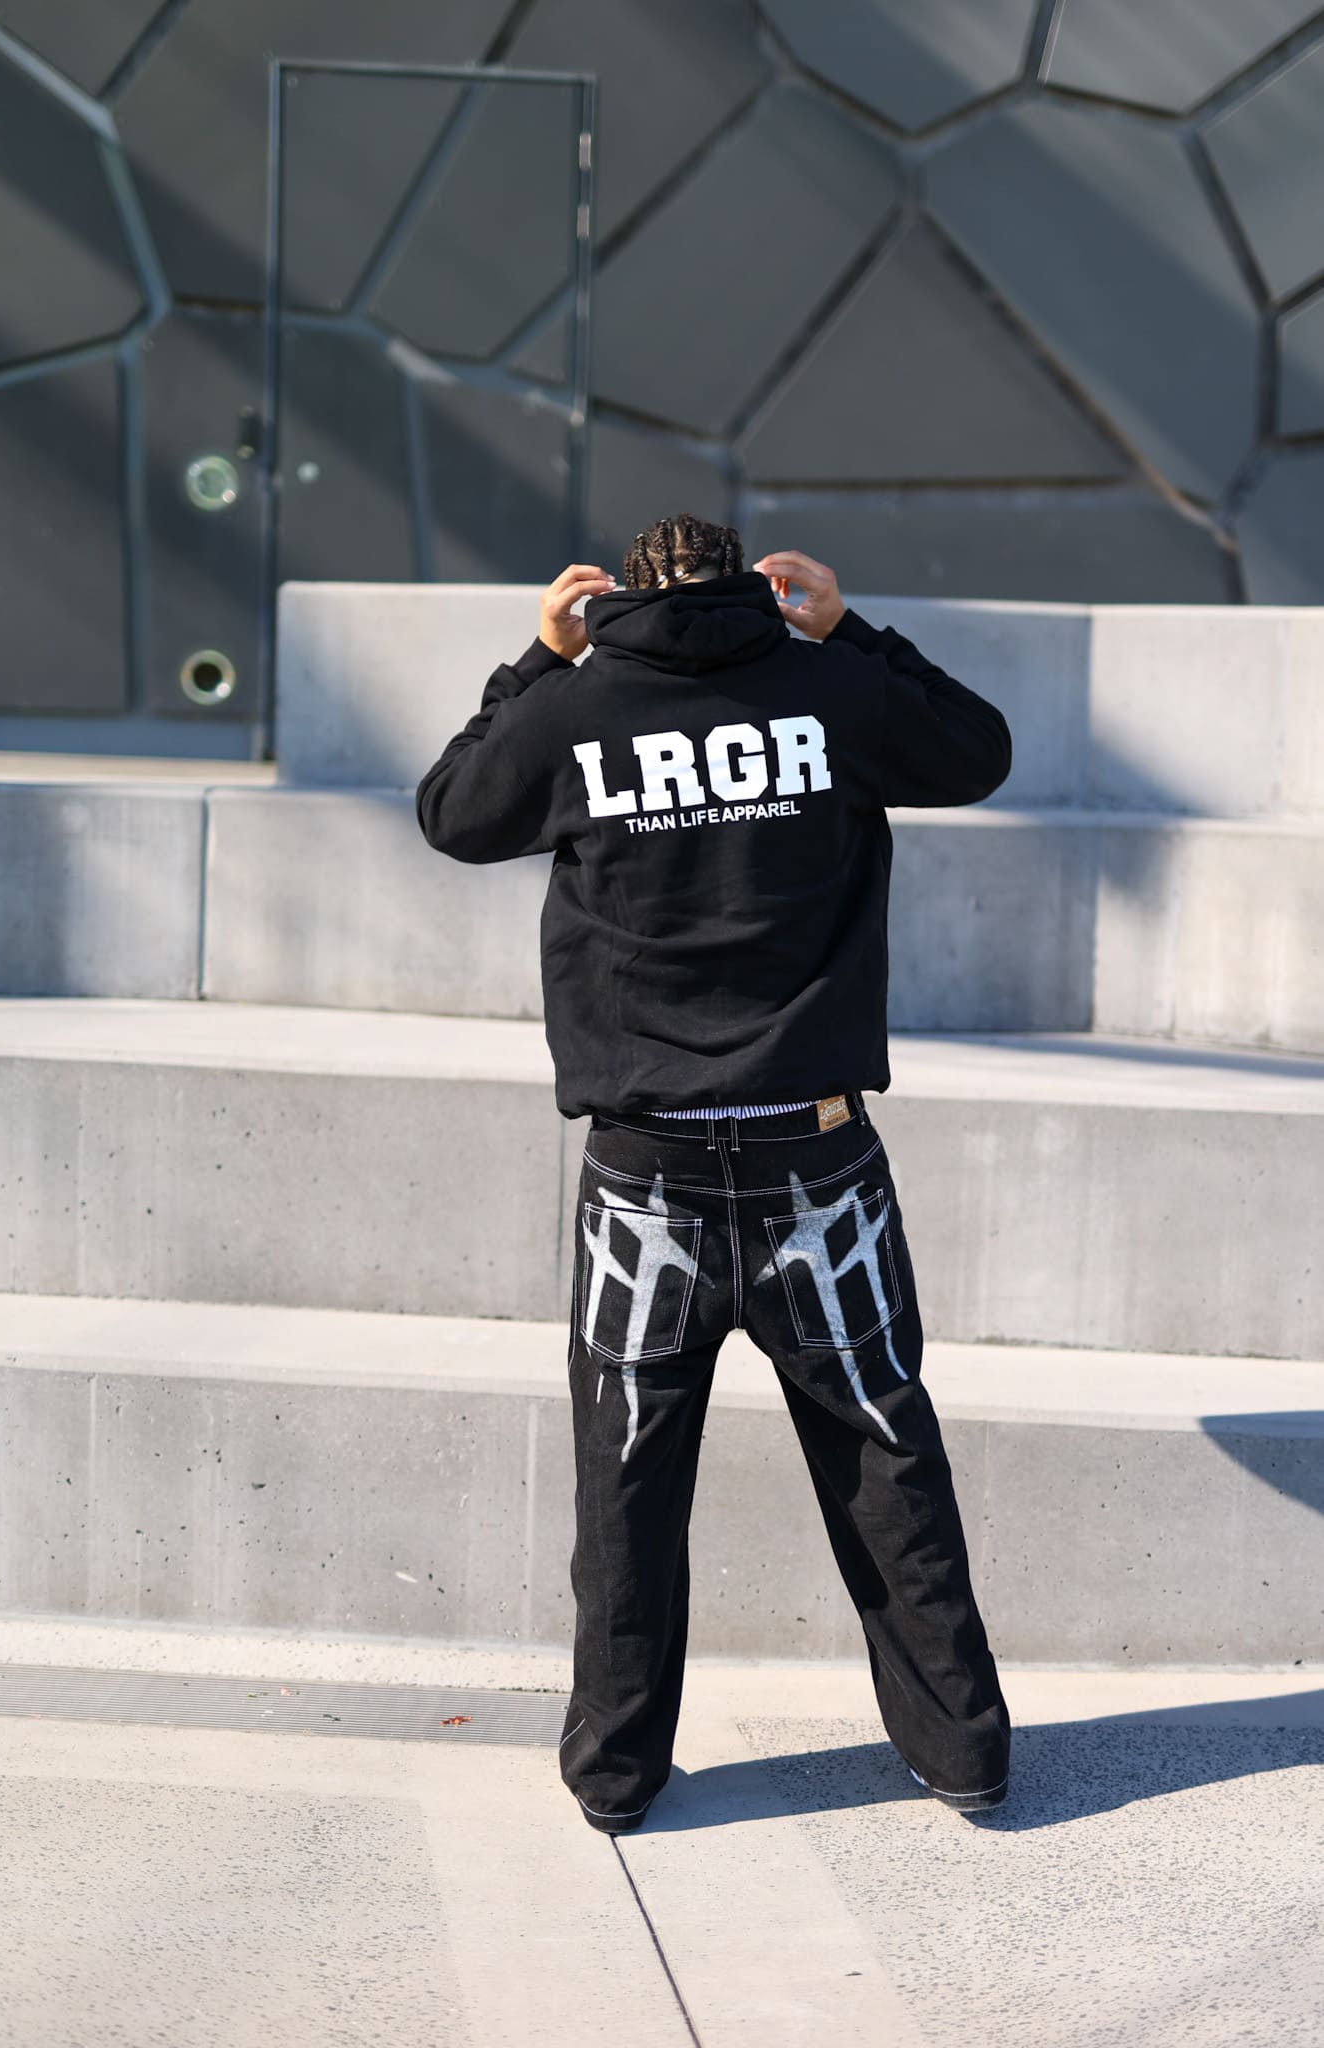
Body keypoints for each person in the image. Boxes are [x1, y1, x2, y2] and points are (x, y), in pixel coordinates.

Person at [416, 513, 1013, 1833]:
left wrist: (535, 658)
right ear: (752, 582)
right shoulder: (829, 689)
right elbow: (977, 751)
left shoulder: (576, 707)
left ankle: (616, 1777)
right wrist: (848, 631)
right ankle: (964, 1753)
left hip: (648, 1173)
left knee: (627, 1483)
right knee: (886, 1458)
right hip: (817, 1160)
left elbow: (453, 812)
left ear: (617, 594)